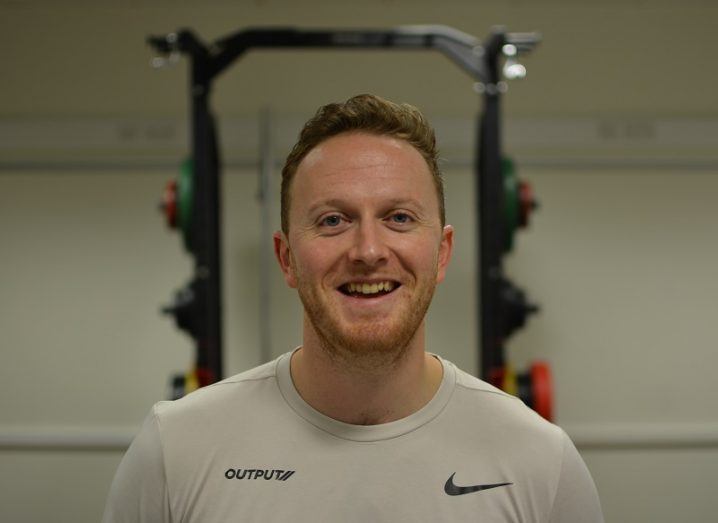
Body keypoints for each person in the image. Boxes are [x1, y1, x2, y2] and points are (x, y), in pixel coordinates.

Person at [103, 94, 603, 522]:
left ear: (443, 253)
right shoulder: (176, 448)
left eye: (399, 217)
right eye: (333, 220)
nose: (368, 250)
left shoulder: (541, 461)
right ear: (287, 258)